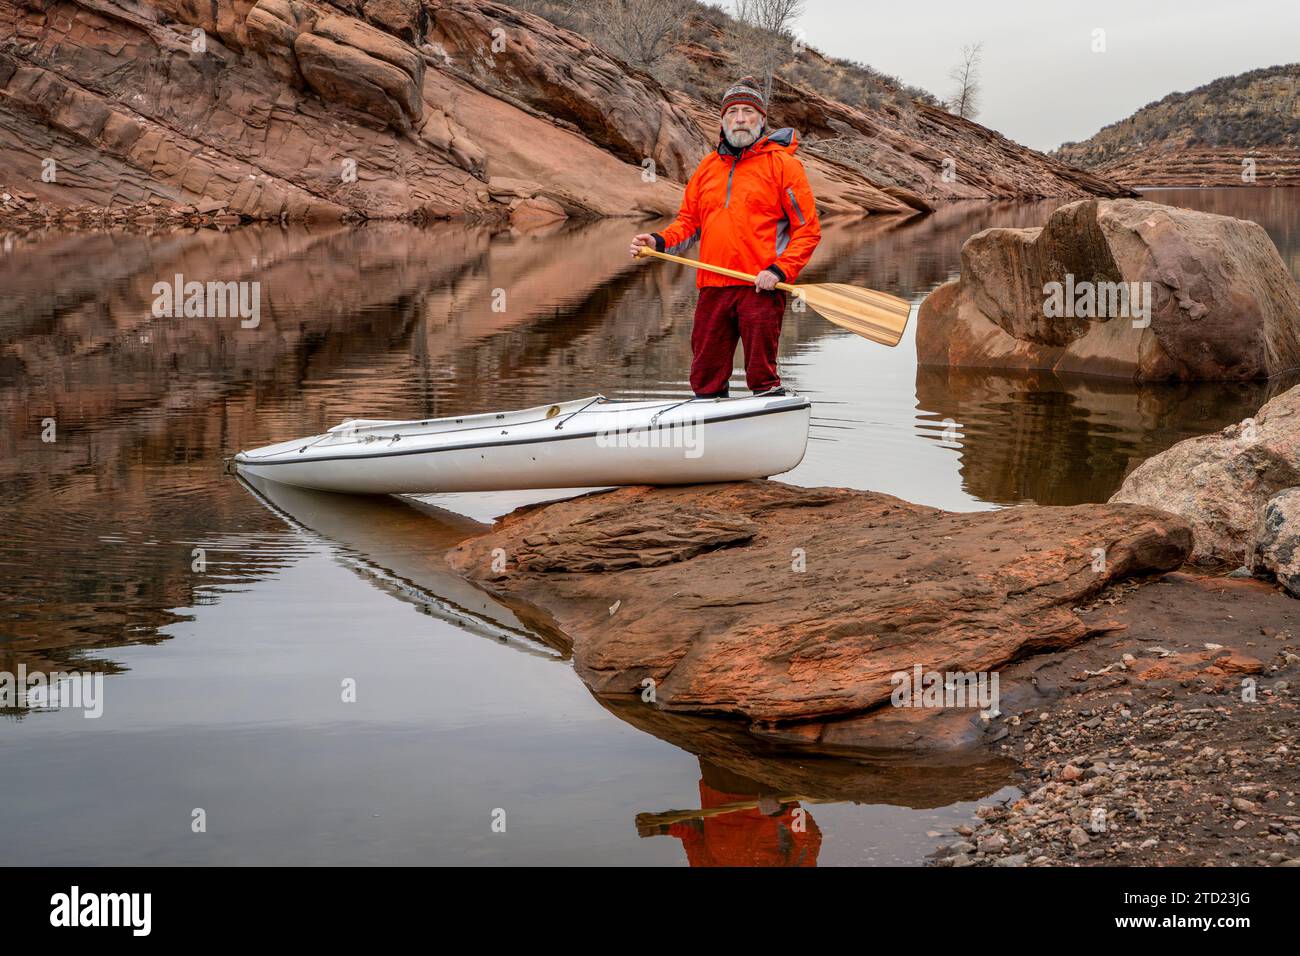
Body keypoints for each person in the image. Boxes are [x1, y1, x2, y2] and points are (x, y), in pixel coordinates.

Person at [630, 76, 822, 398]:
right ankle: (711, 425)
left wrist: (778, 271)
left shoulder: (784, 167)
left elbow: (807, 231)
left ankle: (770, 421)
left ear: (761, 120)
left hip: (761, 288)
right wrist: (658, 241)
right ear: (722, 120)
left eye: (748, 112)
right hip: (713, 288)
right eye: (733, 112)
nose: (741, 119)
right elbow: (689, 223)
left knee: (761, 376)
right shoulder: (707, 168)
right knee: (705, 376)